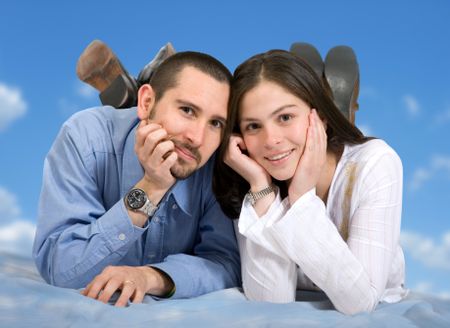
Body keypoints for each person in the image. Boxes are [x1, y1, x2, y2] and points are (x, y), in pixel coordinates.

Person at [33, 51, 241, 307]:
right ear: (146, 102)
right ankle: (137, 92)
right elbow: (62, 269)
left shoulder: (215, 162)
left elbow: (225, 264)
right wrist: (151, 187)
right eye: (187, 110)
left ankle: (137, 89)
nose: (197, 138)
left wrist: (152, 277)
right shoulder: (84, 138)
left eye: (216, 123)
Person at [213, 50, 407, 315]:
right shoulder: (252, 176)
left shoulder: (376, 163)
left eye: (285, 117)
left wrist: (302, 196)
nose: (271, 140)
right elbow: (270, 303)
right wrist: (261, 188)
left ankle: (338, 109)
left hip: (377, 300)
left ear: (321, 117)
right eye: (253, 127)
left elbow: (360, 302)